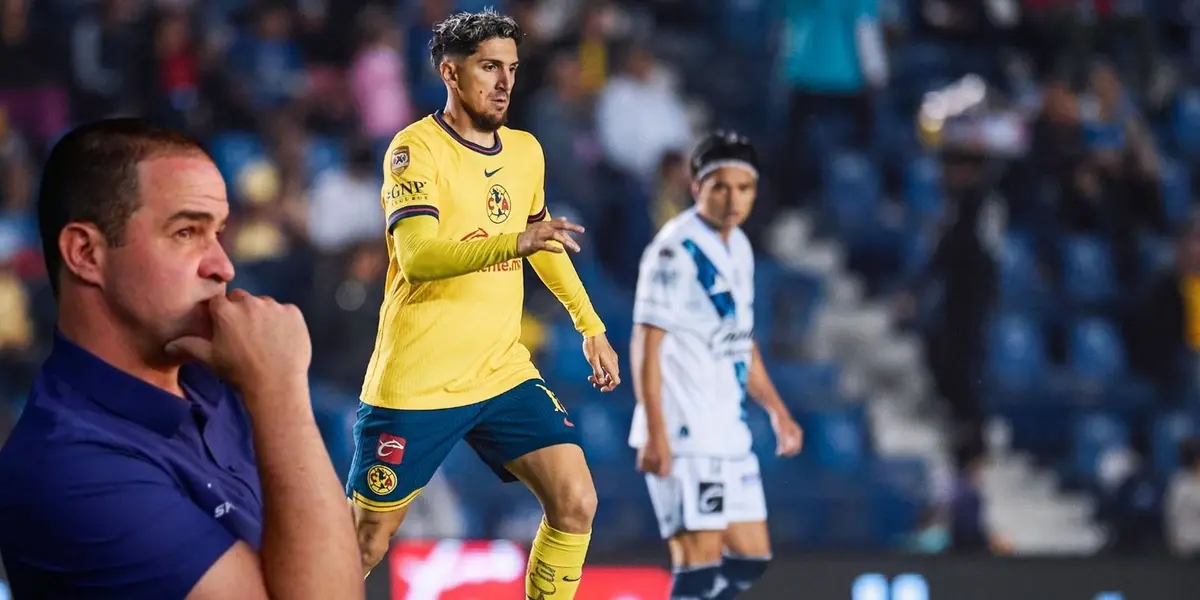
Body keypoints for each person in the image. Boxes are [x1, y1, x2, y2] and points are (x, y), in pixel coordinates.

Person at [0, 119, 363, 600]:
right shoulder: (66, 469)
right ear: (86, 253)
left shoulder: (217, 376)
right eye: (186, 231)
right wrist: (281, 389)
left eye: (218, 232)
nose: (223, 265)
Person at [347, 10, 622, 599]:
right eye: (489, 67)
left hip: (500, 370)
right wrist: (514, 241)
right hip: (418, 381)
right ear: (450, 72)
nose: (504, 83)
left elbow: (542, 241)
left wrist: (589, 324)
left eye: (512, 69)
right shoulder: (413, 150)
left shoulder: (525, 152)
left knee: (576, 500)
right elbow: (418, 256)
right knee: (364, 544)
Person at [629, 131, 804, 600]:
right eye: (720, 186)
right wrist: (657, 430)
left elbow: (739, 342)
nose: (733, 199)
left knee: (750, 560)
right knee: (699, 567)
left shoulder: (740, 249)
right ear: (696, 187)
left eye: (744, 188)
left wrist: (777, 411)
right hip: (685, 431)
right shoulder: (674, 250)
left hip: (727, 430)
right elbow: (646, 340)